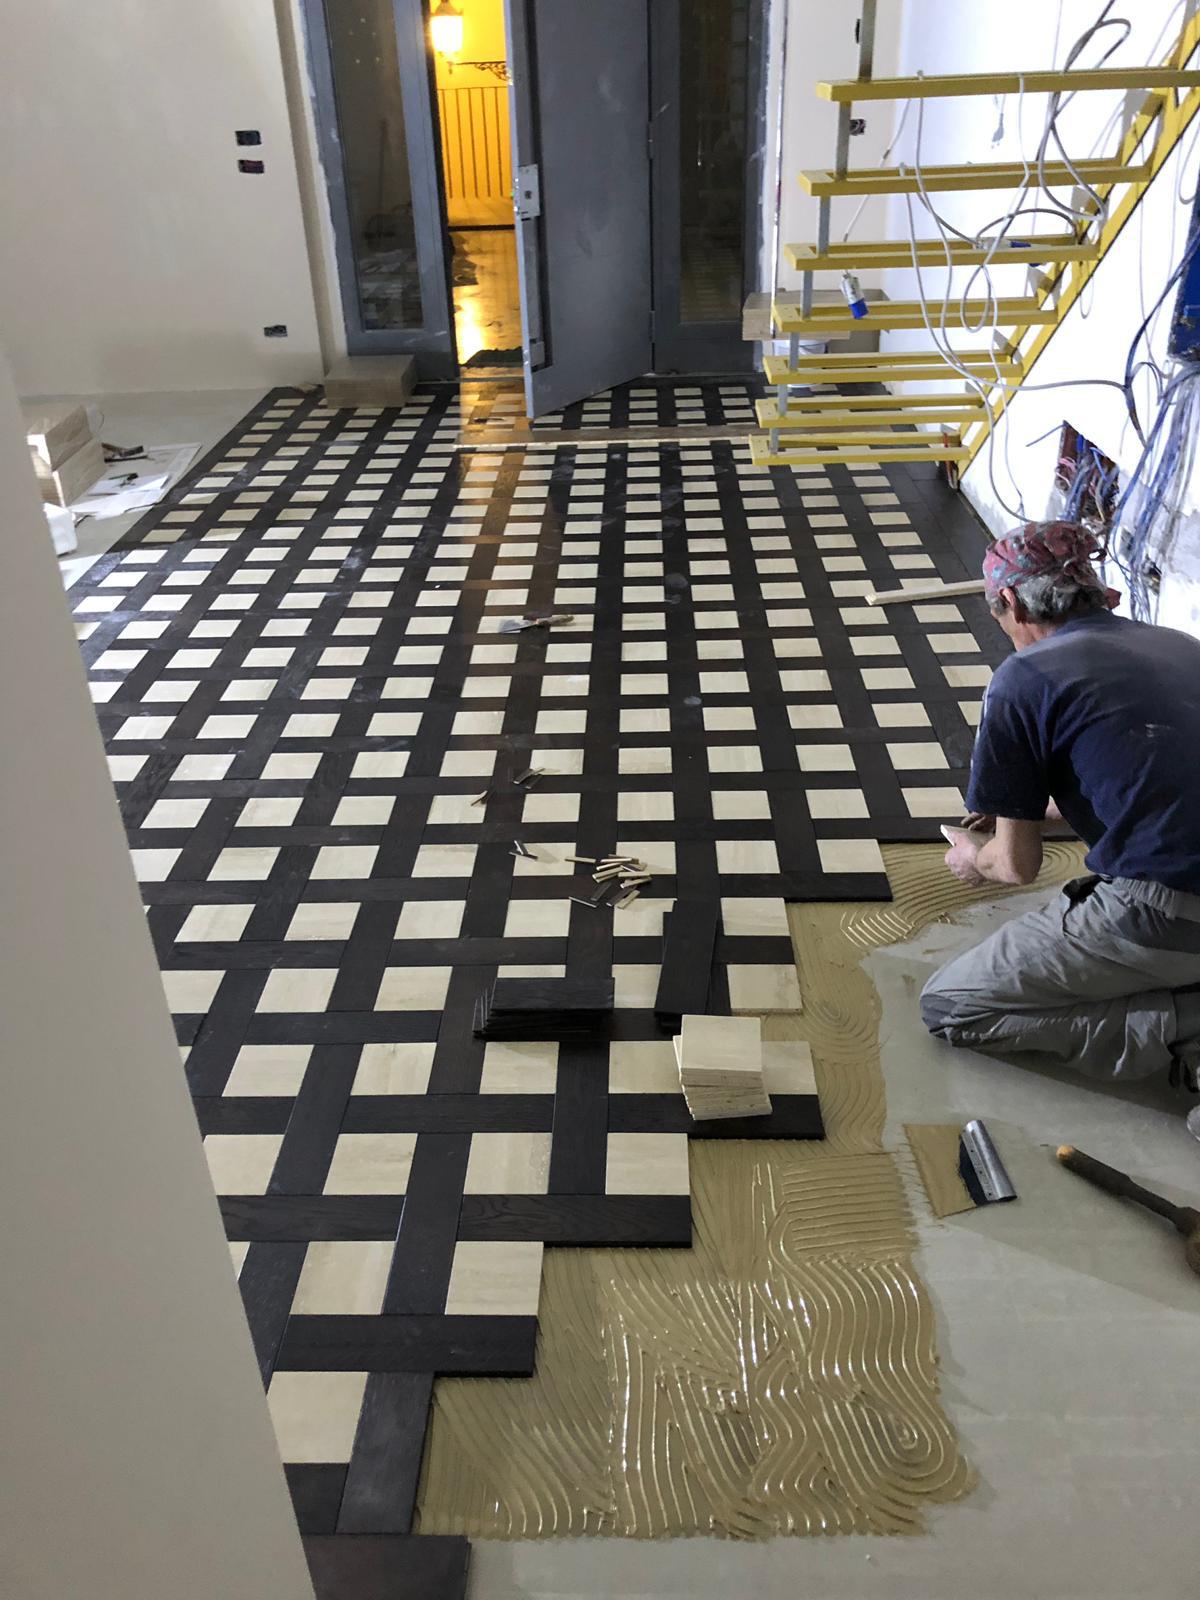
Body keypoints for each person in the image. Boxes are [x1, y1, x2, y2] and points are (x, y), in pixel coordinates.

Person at [920, 519, 1200, 1090]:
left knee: (951, 1006)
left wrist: (975, 857)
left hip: (1173, 910)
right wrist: (1026, 813)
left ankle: (1184, 1029)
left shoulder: (1023, 677)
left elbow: (1016, 866)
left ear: (1010, 603)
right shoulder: (1177, 644)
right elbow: (1152, 788)